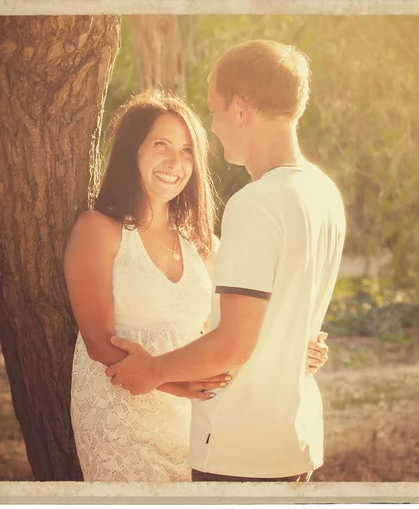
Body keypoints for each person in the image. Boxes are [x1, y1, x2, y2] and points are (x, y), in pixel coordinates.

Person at [106, 41, 346, 483]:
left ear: (240, 109)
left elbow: (234, 345)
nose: (212, 127)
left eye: (214, 110)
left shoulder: (255, 203)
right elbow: (287, 324)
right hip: (295, 439)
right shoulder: (324, 194)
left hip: (240, 450)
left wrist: (153, 370)